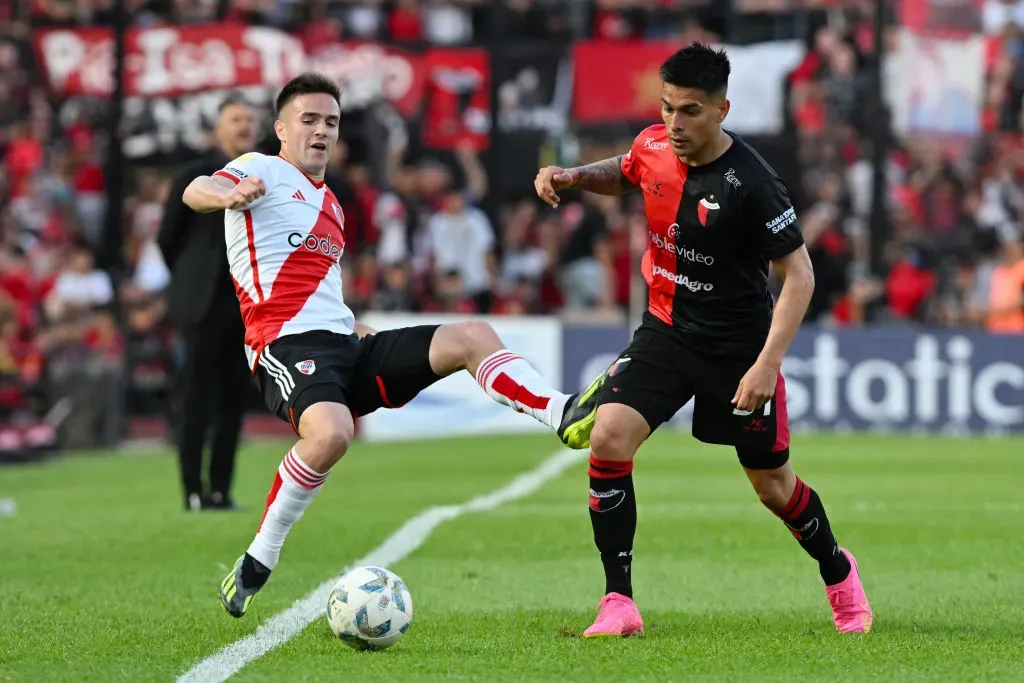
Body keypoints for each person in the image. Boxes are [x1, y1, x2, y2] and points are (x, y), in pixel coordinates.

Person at [181, 73, 597, 618]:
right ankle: (259, 558)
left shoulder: (331, 204)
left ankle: (562, 412)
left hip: (345, 342)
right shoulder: (259, 169)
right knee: (332, 433)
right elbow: (196, 190)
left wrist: (356, 330)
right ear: (280, 128)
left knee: (471, 335)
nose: (321, 131)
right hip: (283, 345)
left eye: (330, 121)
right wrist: (228, 194)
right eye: (308, 120)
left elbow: (320, 287)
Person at [533, 43, 872, 637]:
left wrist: (766, 365)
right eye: (666, 108)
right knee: (609, 437)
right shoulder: (655, 143)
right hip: (664, 332)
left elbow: (801, 276)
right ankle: (619, 602)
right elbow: (629, 169)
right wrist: (575, 177)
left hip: (738, 351)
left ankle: (838, 570)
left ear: (722, 109)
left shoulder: (754, 184)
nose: (674, 124)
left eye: (689, 111)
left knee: (772, 487)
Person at [157, 94, 258, 512]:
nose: (243, 126)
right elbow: (168, 238)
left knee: (235, 400)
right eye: (235, 119)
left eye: (249, 120)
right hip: (201, 304)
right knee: (194, 400)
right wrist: (190, 278)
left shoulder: (264, 175)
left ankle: (220, 490)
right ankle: (192, 492)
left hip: (245, 305)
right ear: (218, 127)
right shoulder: (193, 175)